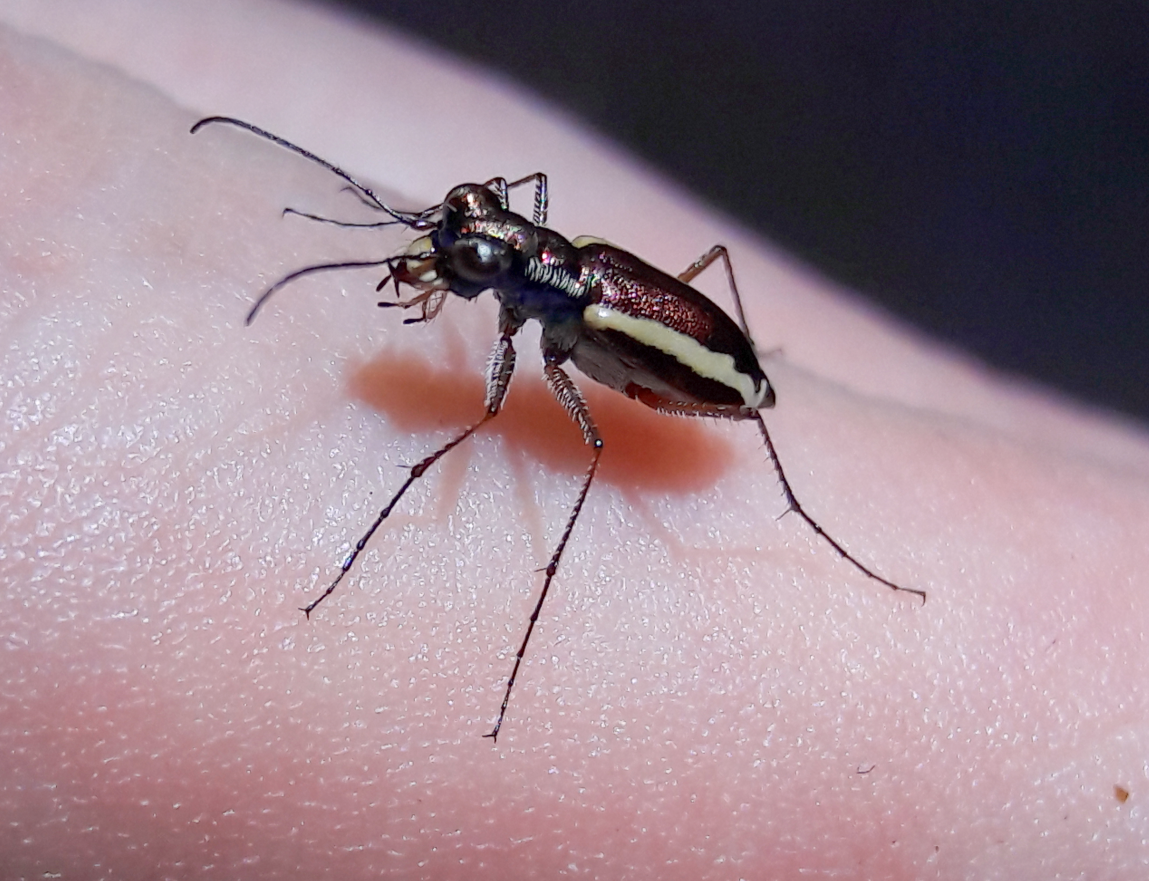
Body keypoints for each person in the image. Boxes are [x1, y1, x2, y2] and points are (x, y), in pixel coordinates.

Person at [3, 3, 1148, 876]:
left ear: (514, 266)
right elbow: (497, 206)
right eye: (465, 239)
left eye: (470, 254)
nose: (451, 254)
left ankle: (802, 513)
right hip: (615, 301)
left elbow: (550, 411)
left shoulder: (554, 332)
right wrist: (453, 219)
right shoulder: (545, 254)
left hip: (657, 352)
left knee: (538, 415)